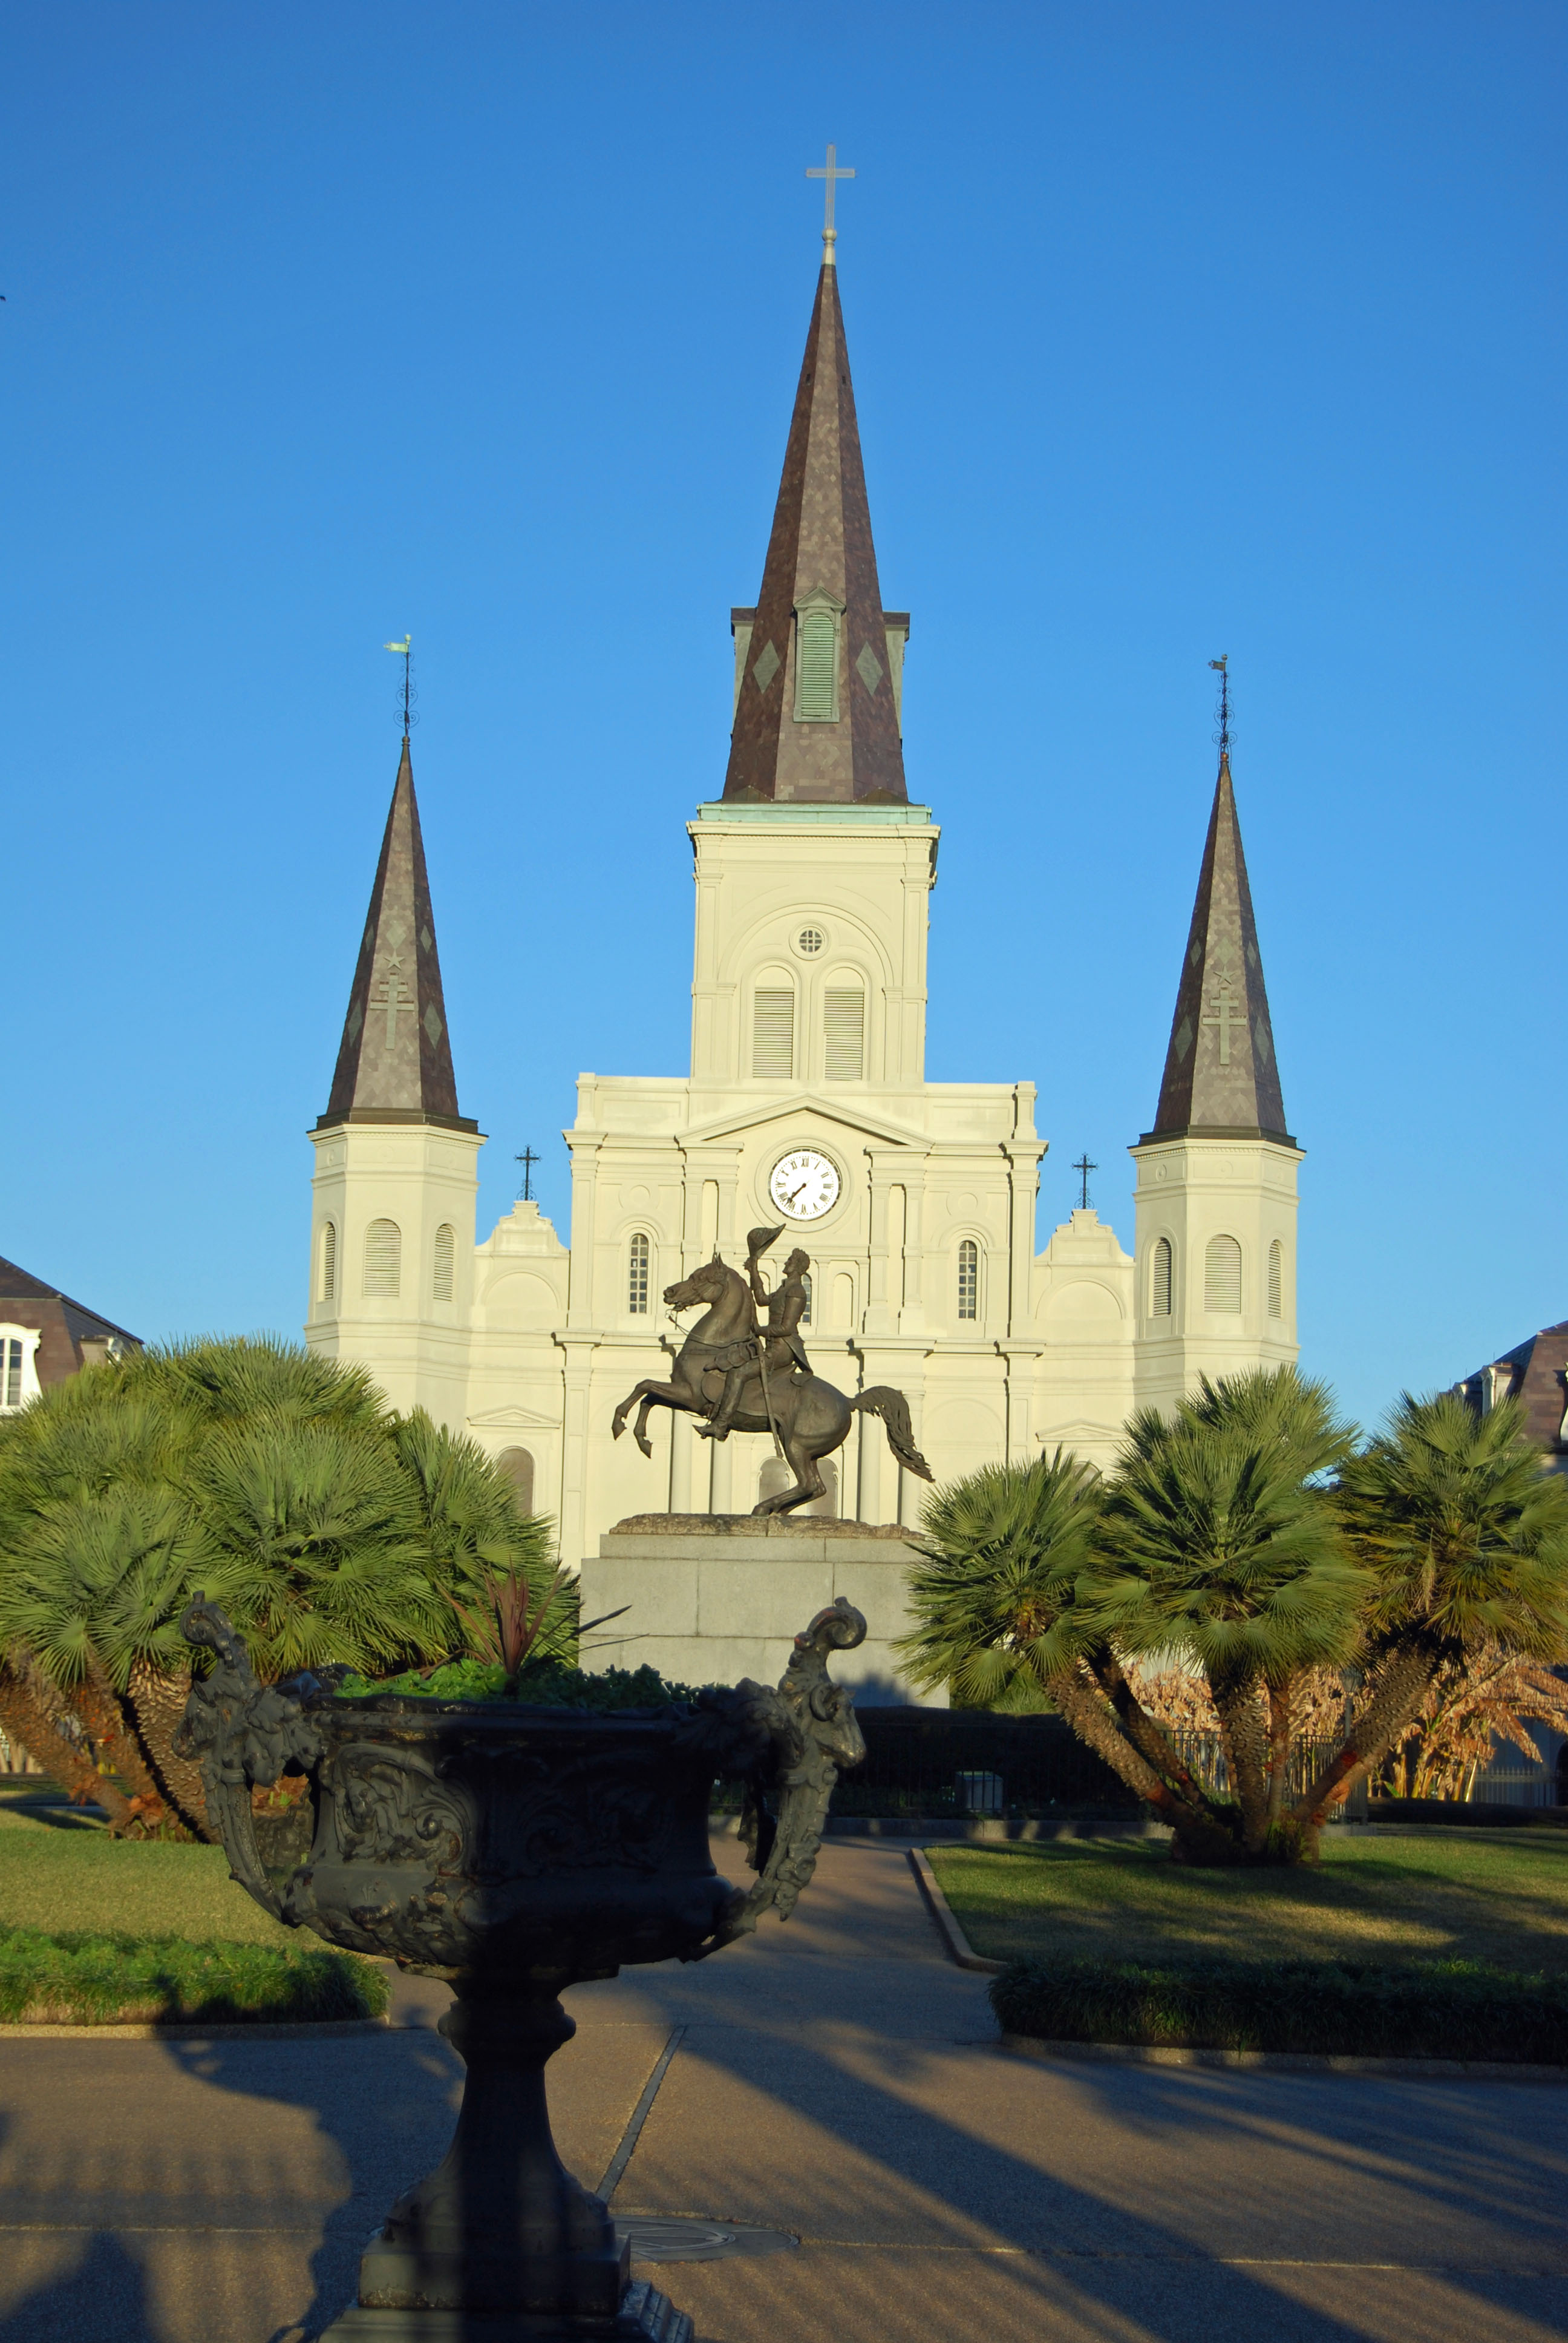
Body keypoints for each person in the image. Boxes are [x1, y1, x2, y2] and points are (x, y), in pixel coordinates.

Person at [697, 1227, 812, 1441]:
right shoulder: (784, 1290)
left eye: (790, 1261)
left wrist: (760, 1330)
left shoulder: (797, 1292)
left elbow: (787, 1328)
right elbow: (761, 1299)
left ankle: (721, 1425)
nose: (786, 1263)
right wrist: (754, 1270)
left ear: (797, 1267)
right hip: (772, 1345)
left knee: (739, 1373)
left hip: (783, 1349)